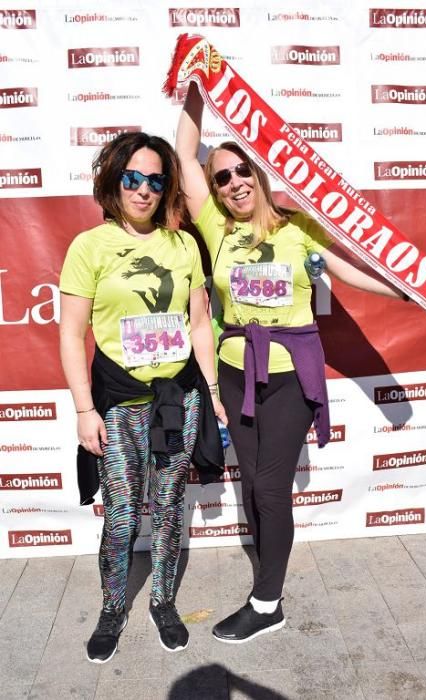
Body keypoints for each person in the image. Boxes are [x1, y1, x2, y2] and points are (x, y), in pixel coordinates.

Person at [176, 83, 407, 644]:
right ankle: (268, 580)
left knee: (272, 488)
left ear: (260, 173)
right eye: (222, 176)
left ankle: (267, 602)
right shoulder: (217, 230)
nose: (233, 183)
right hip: (235, 370)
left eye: (241, 172)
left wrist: (412, 295)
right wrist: (197, 81)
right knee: (253, 482)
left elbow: (350, 273)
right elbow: (184, 153)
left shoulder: (299, 228)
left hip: (289, 376)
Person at [59, 131, 227, 663]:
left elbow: (200, 323)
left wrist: (214, 392)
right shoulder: (89, 246)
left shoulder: (182, 246)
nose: (144, 189)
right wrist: (85, 410)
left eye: (156, 180)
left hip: (179, 395)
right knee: (125, 512)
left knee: (171, 503)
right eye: (133, 177)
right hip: (118, 399)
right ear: (115, 180)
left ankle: (162, 602)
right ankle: (114, 607)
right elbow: (70, 334)